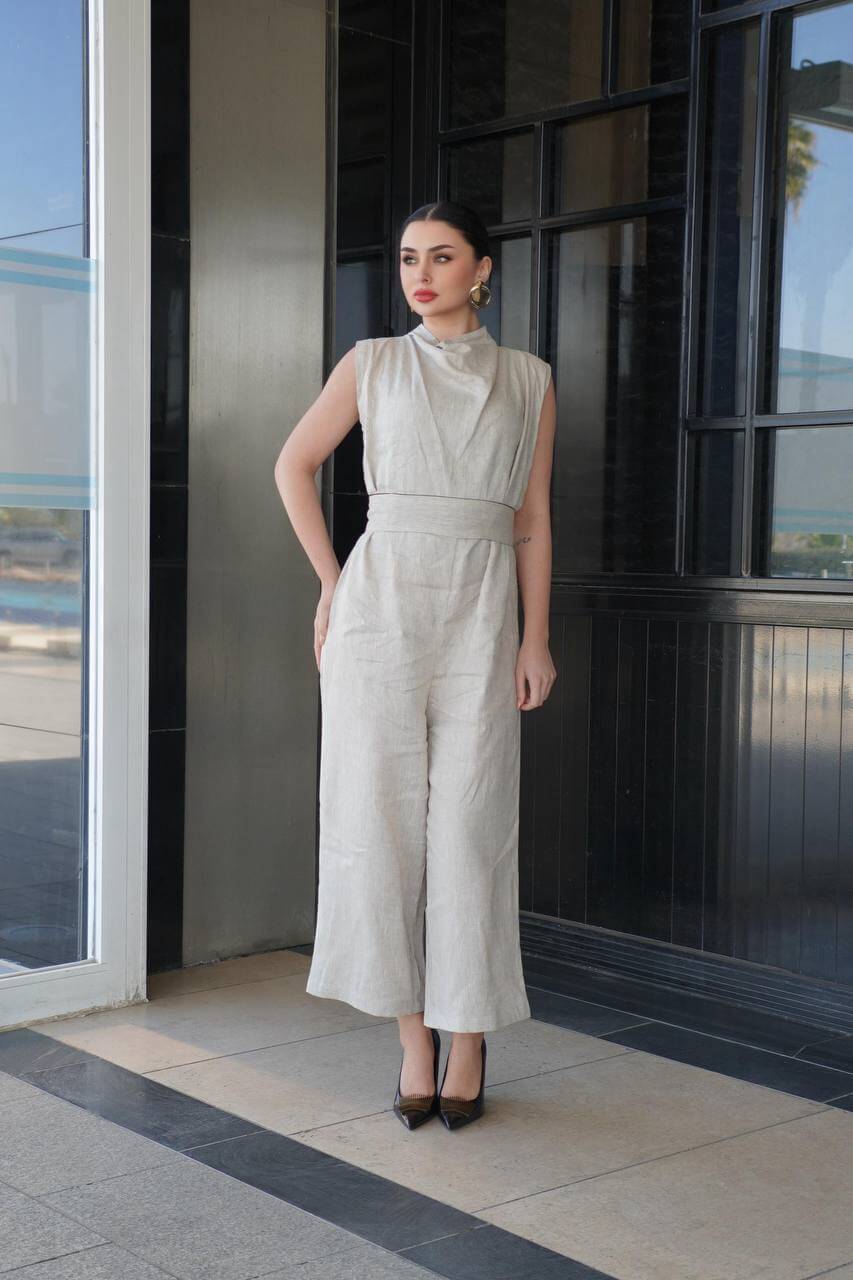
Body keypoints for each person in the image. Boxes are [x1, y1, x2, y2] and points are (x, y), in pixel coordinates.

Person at [274, 200, 557, 1130]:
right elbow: (292, 465)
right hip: (380, 608)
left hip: (482, 610)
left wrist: (535, 637)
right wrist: (332, 584)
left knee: (472, 826)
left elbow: (531, 519)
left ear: (483, 269)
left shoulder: (529, 379)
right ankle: (412, 1041)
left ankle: (467, 1034)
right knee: (377, 819)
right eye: (406, 259)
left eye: (440, 257)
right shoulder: (372, 362)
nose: (420, 276)